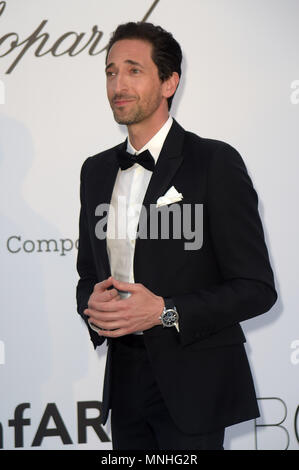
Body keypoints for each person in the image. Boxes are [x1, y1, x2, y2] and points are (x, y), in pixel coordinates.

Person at [76, 22, 277, 450]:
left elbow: (257, 290)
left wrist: (164, 312)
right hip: (124, 385)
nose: (118, 84)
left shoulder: (214, 162)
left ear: (169, 82)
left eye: (133, 70)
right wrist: (92, 305)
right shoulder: (95, 171)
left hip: (195, 386)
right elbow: (86, 276)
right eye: (111, 72)